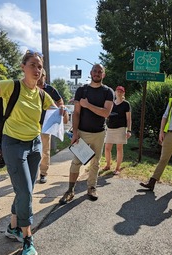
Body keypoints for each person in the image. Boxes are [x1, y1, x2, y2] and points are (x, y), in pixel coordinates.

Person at [0, 50, 55, 255]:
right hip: (13, 144)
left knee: (25, 189)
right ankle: (27, 238)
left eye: (40, 66)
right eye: (33, 65)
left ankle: (13, 227)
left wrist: (62, 111)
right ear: (23, 67)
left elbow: (55, 107)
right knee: (25, 191)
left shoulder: (42, 94)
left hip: (34, 145)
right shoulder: (10, 86)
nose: (37, 69)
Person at [59, 64, 114, 204]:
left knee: (96, 162)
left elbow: (106, 113)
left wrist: (88, 105)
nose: (97, 73)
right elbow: (76, 113)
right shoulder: (82, 90)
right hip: (82, 133)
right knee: (76, 162)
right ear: (91, 73)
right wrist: (75, 132)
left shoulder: (108, 92)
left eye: (100, 71)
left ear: (103, 74)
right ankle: (70, 190)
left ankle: (91, 187)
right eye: (95, 71)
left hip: (99, 133)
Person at [37, 69, 67, 184]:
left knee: (45, 150)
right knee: (31, 150)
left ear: (45, 76)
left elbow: (60, 101)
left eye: (42, 75)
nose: (39, 77)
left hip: (46, 125)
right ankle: (31, 172)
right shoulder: (29, 87)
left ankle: (43, 173)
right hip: (30, 124)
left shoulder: (50, 89)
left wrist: (61, 108)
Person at [102, 86, 132, 175]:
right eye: (117, 91)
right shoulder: (111, 104)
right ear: (115, 92)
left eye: (121, 91)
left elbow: (129, 119)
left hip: (121, 129)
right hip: (110, 128)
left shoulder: (126, 104)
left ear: (123, 93)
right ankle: (108, 165)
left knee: (119, 148)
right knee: (107, 148)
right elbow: (106, 114)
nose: (119, 92)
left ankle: (118, 168)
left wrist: (129, 130)